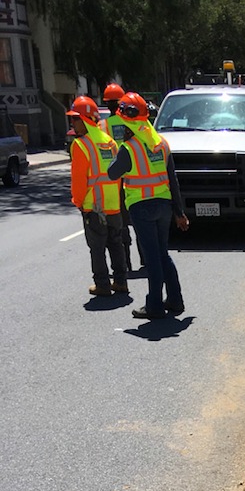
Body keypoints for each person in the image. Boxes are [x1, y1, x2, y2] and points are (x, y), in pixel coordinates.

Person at [108, 92, 189, 321]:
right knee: (162, 253)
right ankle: (175, 300)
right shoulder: (161, 144)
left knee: (152, 257)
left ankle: (154, 305)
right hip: (163, 206)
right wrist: (179, 212)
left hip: (141, 207)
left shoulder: (129, 148)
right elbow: (173, 180)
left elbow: (113, 173)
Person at [66, 95, 128, 297]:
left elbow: (79, 180)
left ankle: (102, 284)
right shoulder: (109, 142)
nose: (72, 123)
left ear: (84, 120)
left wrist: (78, 201)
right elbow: (117, 175)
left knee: (97, 248)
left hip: (94, 206)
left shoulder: (81, 145)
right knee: (116, 244)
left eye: (75, 119)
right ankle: (120, 282)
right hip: (113, 204)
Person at [98, 82, 136, 271]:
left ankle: (126, 262)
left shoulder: (103, 125)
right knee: (137, 220)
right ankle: (145, 260)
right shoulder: (131, 122)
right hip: (135, 176)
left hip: (115, 179)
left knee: (120, 223)